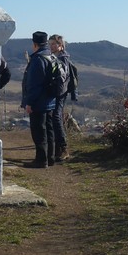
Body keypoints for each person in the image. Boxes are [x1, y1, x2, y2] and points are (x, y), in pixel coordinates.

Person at [21, 31, 57, 168]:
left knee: (38, 131)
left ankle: (41, 160)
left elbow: (34, 84)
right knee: (49, 130)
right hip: (50, 100)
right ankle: (50, 157)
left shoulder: (37, 59)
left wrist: (29, 102)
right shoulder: (51, 56)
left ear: (35, 44)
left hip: (39, 102)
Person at [49, 34, 77, 162]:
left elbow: (61, 78)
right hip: (58, 92)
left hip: (60, 93)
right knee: (56, 118)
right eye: (50, 44)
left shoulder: (62, 59)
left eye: (54, 44)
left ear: (61, 45)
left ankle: (63, 148)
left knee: (56, 117)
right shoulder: (57, 57)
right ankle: (58, 149)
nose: (51, 46)